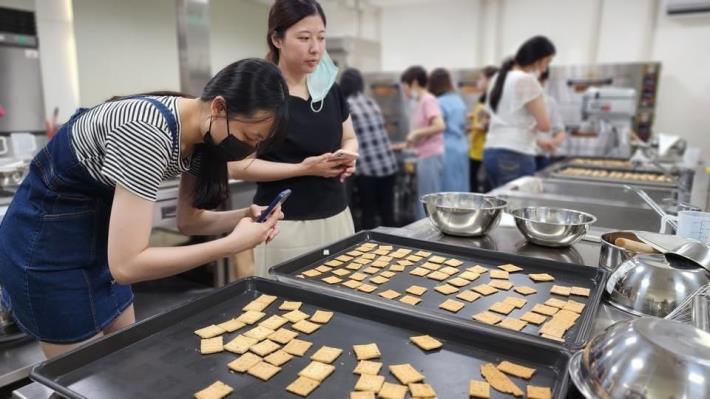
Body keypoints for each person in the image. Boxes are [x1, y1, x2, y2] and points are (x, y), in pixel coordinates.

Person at [0, 58, 289, 358]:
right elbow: (127, 266)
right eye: (247, 138)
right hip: (45, 250)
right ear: (218, 107)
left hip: (98, 245)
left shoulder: (202, 134)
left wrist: (243, 216)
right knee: (83, 380)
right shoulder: (147, 131)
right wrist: (230, 245)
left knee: (122, 362)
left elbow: (188, 222)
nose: (247, 150)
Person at [229, 0, 358, 276]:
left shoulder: (329, 91)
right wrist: (304, 168)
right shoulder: (262, 96)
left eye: (321, 38)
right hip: (285, 225)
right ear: (277, 38)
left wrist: (348, 156)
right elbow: (238, 166)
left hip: (337, 217)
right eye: (304, 38)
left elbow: (349, 137)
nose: (316, 48)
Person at [483, 35, 556, 188]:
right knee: (517, 208)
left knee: (501, 206)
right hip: (515, 155)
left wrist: (536, 140)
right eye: (547, 61)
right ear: (538, 58)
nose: (546, 67)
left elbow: (500, 118)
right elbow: (545, 125)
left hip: (491, 151)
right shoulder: (527, 80)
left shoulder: (497, 77)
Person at [340, 68, 398, 229]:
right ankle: (396, 247)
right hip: (389, 165)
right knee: (388, 214)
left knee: (369, 213)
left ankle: (370, 250)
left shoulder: (346, 106)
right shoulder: (371, 101)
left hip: (369, 170)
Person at [400, 66, 445, 219]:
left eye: (404, 87)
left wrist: (416, 133)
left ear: (413, 83)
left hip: (430, 156)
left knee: (428, 202)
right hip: (423, 156)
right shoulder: (419, 103)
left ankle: (428, 239)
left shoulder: (428, 100)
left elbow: (439, 126)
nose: (404, 91)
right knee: (423, 200)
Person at [428, 67, 469, 192]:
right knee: (461, 186)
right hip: (461, 146)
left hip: (446, 149)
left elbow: (435, 127)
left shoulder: (437, 103)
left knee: (447, 189)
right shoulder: (458, 100)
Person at [467, 65, 498, 192]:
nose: (479, 82)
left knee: (485, 186)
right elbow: (481, 116)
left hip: (485, 149)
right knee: (472, 182)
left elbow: (487, 123)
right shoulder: (483, 98)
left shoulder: (494, 98)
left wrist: (470, 127)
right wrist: (471, 116)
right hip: (475, 148)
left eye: (481, 78)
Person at [535, 68, 566, 170]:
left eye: (541, 80)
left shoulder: (550, 102)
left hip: (542, 157)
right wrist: (539, 142)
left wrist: (553, 142)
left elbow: (560, 131)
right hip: (523, 155)